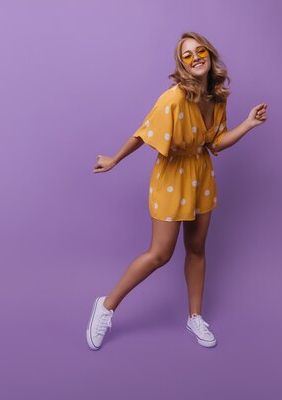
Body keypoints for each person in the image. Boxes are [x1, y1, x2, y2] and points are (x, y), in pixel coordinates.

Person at [87, 31, 268, 350]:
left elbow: (215, 143)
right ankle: (106, 306)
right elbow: (145, 133)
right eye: (187, 54)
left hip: (201, 174)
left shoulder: (218, 96)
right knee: (160, 254)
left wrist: (248, 125)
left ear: (210, 56)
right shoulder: (173, 98)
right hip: (172, 174)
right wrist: (115, 159)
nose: (195, 57)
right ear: (182, 64)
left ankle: (194, 317)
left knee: (197, 248)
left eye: (201, 51)